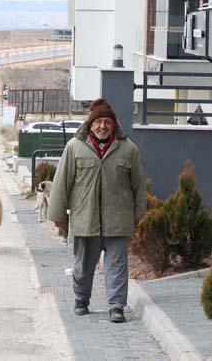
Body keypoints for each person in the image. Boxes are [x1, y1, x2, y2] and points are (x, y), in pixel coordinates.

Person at [48, 98, 146, 323]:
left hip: (118, 219)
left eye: (107, 122)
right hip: (85, 218)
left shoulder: (128, 149)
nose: (103, 126)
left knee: (117, 266)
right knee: (82, 265)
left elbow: (139, 185)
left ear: (114, 125)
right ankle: (81, 299)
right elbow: (62, 182)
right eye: (98, 122)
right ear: (90, 125)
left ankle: (116, 306)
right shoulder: (74, 147)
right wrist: (58, 216)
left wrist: (139, 213)